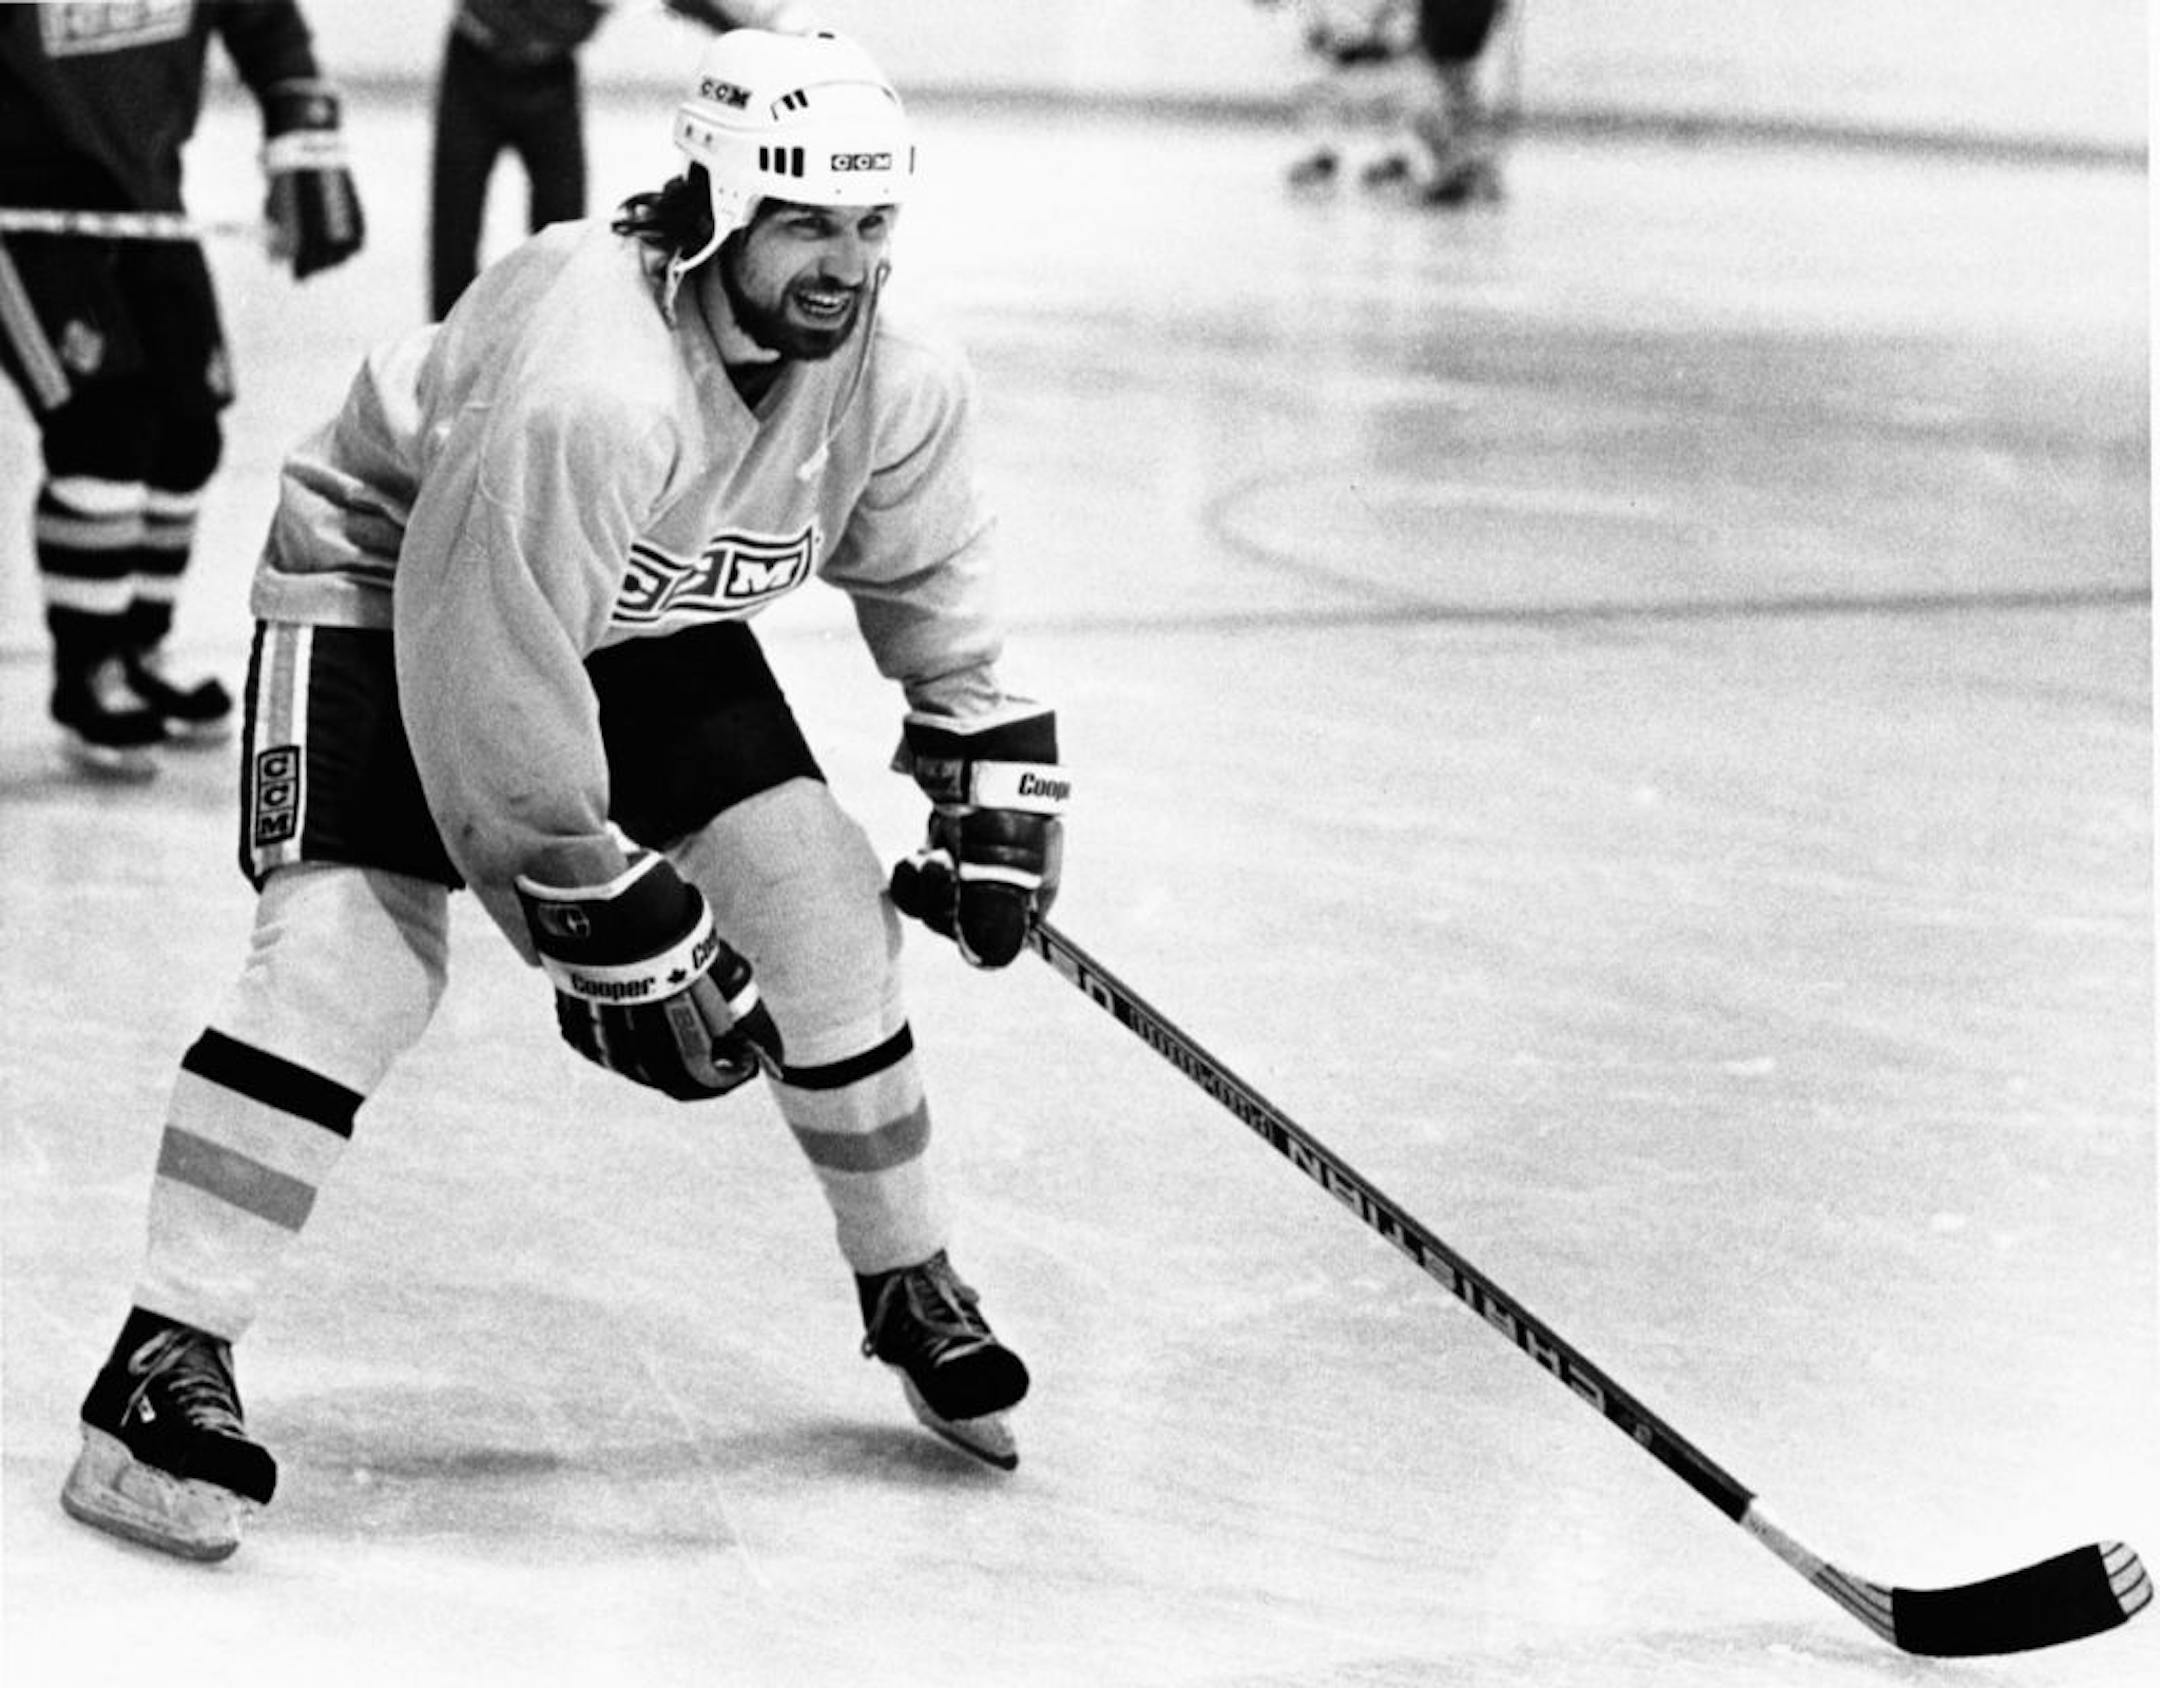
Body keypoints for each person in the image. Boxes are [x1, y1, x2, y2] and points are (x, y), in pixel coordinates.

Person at [58, 26, 1067, 1565]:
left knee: (817, 907)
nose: (843, 266)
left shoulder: (894, 371)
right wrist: (580, 893)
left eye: (871, 225)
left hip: (624, 605)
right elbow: (484, 654)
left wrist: (983, 757)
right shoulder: (598, 385)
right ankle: (158, 1362)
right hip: (390, 580)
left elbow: (926, 563)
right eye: (805, 222)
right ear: (719, 202)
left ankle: (909, 1279)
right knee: (352, 963)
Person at [0, 0, 365, 780]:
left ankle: (138, 648)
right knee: (103, 429)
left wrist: (303, 136)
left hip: (147, 192)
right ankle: (88, 671)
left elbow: (265, 22)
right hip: (24, 210)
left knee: (187, 431)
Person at [428, 0, 812, 322]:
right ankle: (442, 349)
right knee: (455, 223)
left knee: (562, 231)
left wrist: (766, 36)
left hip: (551, 78)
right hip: (473, 67)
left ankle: (548, 349)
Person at [1253, 0, 1425, 193]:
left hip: (1387, 53)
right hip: (1347, 48)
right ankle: (1324, 156)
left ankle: (1395, 158)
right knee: (1314, 88)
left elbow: (1403, 23)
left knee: (1391, 93)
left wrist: (1383, 39)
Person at [1407, 0, 1509, 206]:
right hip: (1466, 15)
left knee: (1450, 83)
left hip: (1454, 17)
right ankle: (1473, 168)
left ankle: (1461, 168)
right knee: (1457, 84)